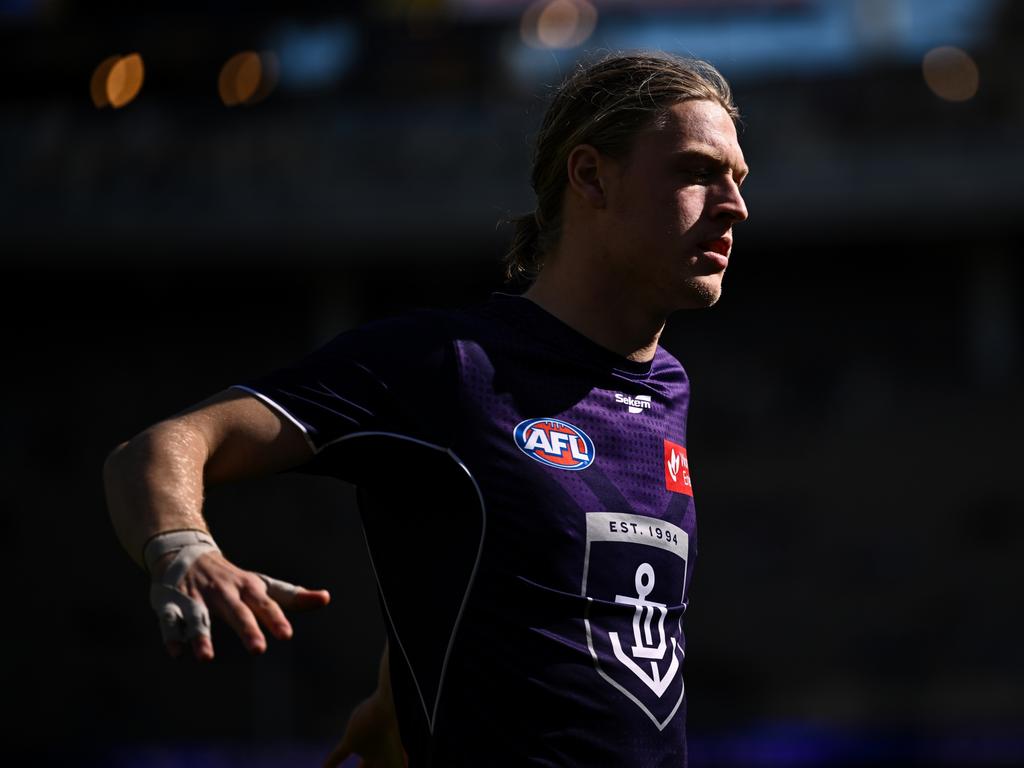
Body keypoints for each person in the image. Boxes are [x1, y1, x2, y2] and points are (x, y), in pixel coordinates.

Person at [104, 50, 748, 767]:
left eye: (738, 181)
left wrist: (393, 698)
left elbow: (506, 557)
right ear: (591, 176)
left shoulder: (667, 388)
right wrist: (181, 549)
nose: (735, 206)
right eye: (697, 172)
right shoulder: (446, 365)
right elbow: (160, 448)